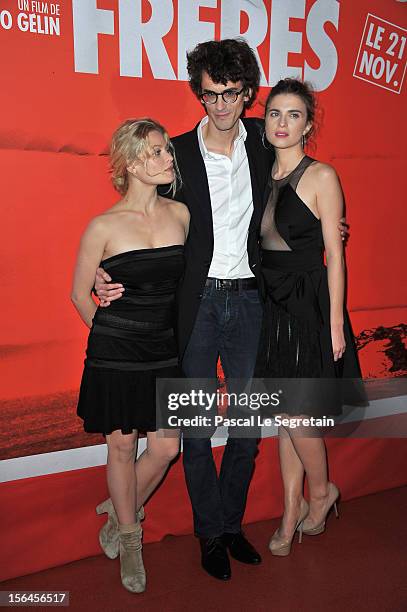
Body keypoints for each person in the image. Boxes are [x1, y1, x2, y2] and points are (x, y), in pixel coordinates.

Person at [94, 39, 349, 580]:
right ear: (198, 94)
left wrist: (330, 229)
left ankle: (231, 525)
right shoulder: (177, 155)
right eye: (211, 95)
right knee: (193, 427)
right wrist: (102, 268)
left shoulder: (264, 144)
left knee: (248, 426)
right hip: (198, 304)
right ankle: (208, 531)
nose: (222, 105)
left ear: (247, 94)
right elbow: (139, 212)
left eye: (233, 94)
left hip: (255, 301)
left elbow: (299, 201)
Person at [71, 118, 189, 593]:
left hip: (166, 348)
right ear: (132, 163)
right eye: (157, 152)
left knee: (165, 447)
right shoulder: (103, 225)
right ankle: (128, 536)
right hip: (116, 349)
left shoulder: (181, 214)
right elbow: (81, 296)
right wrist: (108, 338)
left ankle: (119, 507)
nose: (167, 159)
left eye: (166, 151)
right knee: (121, 446)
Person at [254, 78, 363, 556]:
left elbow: (335, 256)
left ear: (308, 124)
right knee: (284, 417)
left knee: (298, 417)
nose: (282, 123)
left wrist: (335, 323)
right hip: (269, 302)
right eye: (275, 113)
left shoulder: (322, 176)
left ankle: (322, 493)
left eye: (293, 114)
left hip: (308, 303)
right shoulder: (258, 173)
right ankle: (290, 509)